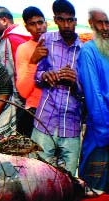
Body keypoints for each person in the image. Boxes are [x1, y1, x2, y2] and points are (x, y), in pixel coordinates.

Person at [32, 0, 83, 176]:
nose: (66, 25)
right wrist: (45, 76)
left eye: (70, 20)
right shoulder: (46, 40)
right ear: (55, 20)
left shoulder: (84, 50)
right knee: (38, 173)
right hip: (46, 118)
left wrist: (75, 83)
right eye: (61, 20)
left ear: (75, 21)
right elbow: (37, 76)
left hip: (71, 123)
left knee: (68, 177)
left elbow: (88, 91)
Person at [77, 8, 109, 192]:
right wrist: (104, 131)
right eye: (100, 23)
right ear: (91, 24)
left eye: (108, 23)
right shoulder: (89, 51)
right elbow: (93, 95)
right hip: (101, 130)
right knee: (95, 189)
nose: (105, 28)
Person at [0, 6, 31, 136]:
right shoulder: (24, 35)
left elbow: (13, 72)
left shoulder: (11, 38)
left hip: (18, 99)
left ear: (4, 20)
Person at [15, 7, 48, 137]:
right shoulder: (23, 49)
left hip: (60, 112)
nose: (38, 27)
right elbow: (23, 91)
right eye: (32, 24)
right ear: (27, 27)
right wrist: (33, 62)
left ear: (46, 23)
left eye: (40, 22)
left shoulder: (58, 45)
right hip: (35, 111)